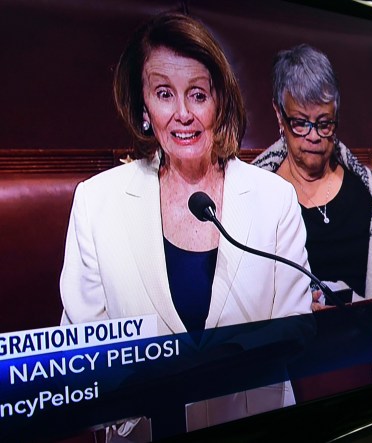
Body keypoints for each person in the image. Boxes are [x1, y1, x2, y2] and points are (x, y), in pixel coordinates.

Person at [59, 12, 312, 438]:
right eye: (163, 93)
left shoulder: (274, 198)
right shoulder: (96, 202)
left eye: (197, 94)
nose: (182, 114)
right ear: (144, 108)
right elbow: (84, 359)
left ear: (219, 102)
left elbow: (294, 330)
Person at [253, 44, 372, 309]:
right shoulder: (256, 194)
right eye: (300, 123)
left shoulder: (369, 190)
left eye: (324, 123)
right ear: (279, 115)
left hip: (369, 343)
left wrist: (359, 310)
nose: (313, 136)